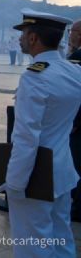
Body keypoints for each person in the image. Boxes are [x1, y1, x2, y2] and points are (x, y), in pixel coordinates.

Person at [0, 9, 81, 257]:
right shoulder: (73, 71)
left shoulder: (34, 77)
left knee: (33, 244)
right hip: (63, 170)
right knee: (61, 236)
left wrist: (14, 183)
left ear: (33, 38)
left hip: (36, 175)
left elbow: (26, 137)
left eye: (23, 34)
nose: (21, 39)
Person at [67, 19, 81, 223]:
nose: (70, 34)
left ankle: (78, 208)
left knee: (78, 162)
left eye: (72, 31)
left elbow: (74, 91)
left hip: (78, 123)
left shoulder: (77, 57)